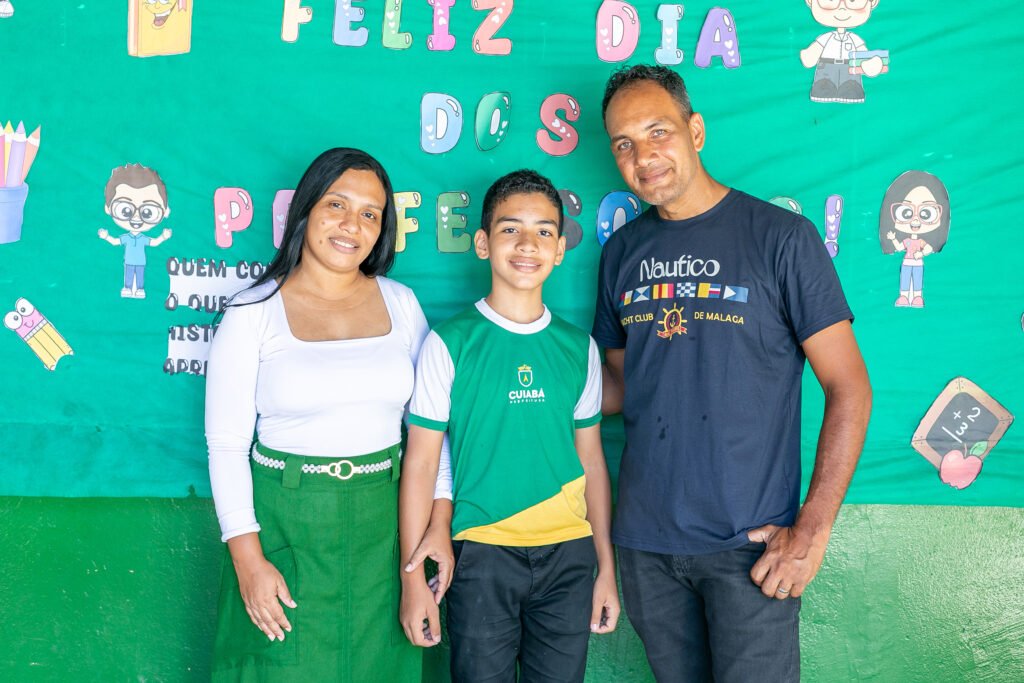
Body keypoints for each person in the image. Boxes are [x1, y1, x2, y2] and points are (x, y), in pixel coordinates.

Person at [594, 65, 872, 682]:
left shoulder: (781, 238)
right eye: (623, 143)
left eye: (657, 131)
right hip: (646, 546)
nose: (643, 156)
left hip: (751, 546)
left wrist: (812, 531)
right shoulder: (621, 254)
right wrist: (522, 375)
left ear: (696, 130)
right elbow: (616, 388)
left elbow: (848, 385)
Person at [205, 147, 448, 681]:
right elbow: (225, 447)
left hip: (384, 530)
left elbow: (431, 432)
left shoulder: (402, 304)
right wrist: (248, 561)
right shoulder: (252, 311)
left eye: (370, 213)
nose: (351, 225)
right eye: (336, 204)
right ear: (307, 209)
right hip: (285, 525)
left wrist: (435, 528)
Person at [399, 169, 620, 682]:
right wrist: (413, 580)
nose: (527, 244)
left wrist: (604, 566)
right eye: (509, 229)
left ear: (561, 248)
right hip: (480, 556)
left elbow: (591, 460)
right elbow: (423, 462)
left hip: (570, 555)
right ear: (482, 243)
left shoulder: (576, 347)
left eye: (544, 231)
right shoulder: (450, 343)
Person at [97, 163, 173, 299]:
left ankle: (139, 289)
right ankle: (127, 288)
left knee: (140, 276)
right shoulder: (126, 237)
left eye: (148, 212)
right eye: (125, 210)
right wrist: (106, 236)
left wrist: (163, 237)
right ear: (108, 208)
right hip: (129, 261)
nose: (136, 218)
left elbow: (154, 243)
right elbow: (115, 242)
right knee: (129, 274)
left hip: (141, 261)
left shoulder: (143, 238)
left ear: (165, 211)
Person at [878, 170, 951, 308]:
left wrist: (921, 254)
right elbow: (899, 247)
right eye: (906, 212)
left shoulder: (921, 242)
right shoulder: (907, 241)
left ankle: (917, 296)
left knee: (917, 280)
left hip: (918, 263)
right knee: (905, 279)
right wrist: (893, 239)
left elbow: (928, 248)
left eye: (926, 212)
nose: (915, 220)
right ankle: (904, 297)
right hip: (906, 263)